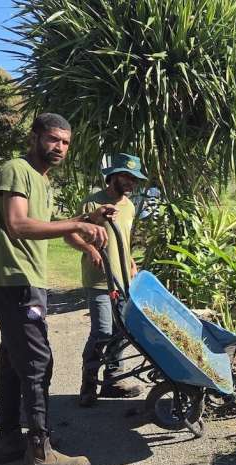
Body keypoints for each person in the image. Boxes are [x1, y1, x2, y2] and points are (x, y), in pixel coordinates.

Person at [0, 113, 115, 465]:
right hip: (15, 280)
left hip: (26, 281)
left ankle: (9, 439)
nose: (59, 147)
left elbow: (56, 230)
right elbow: (17, 225)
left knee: (13, 360)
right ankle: (39, 449)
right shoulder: (17, 169)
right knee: (37, 363)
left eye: (65, 142)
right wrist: (78, 224)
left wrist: (88, 218)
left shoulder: (42, 181)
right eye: (52, 139)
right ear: (34, 137)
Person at [65, 154, 147, 407]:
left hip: (123, 280)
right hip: (99, 281)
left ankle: (113, 380)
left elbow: (125, 239)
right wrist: (89, 249)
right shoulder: (93, 202)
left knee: (125, 330)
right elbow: (69, 234)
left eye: (135, 179)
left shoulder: (130, 206)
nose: (131, 183)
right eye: (127, 177)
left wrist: (131, 262)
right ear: (113, 176)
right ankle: (88, 384)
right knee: (101, 331)